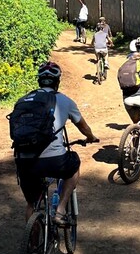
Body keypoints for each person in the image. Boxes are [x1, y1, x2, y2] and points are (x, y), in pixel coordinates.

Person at [14, 61, 99, 224]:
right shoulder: (65, 101)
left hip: (24, 159)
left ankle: (32, 245)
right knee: (73, 166)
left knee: (31, 203)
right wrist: (91, 137)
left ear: (39, 81)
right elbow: (83, 127)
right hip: (54, 160)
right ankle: (60, 210)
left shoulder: (22, 101)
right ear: (57, 82)